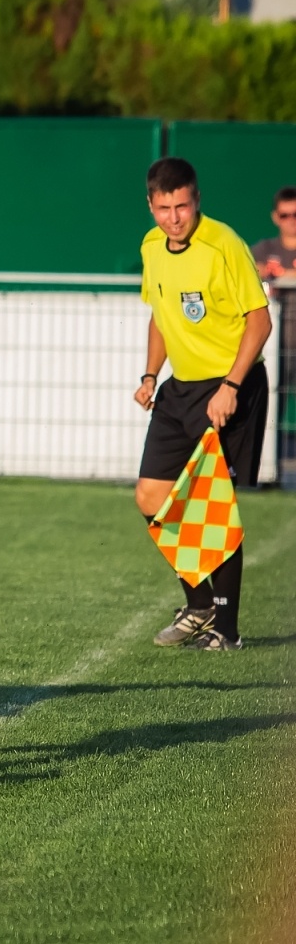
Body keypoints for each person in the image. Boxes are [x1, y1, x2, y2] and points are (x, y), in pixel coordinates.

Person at [134, 158, 272, 652]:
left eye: (183, 206)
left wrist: (231, 386)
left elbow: (260, 321)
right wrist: (151, 374)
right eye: (165, 207)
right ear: (151, 204)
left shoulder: (223, 243)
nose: (174, 217)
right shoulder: (152, 246)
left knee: (214, 508)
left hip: (232, 387)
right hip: (181, 389)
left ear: (197, 201)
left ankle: (227, 629)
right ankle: (198, 605)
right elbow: (161, 315)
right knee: (151, 497)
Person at [251, 185, 296, 280]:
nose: (291, 220)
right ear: (275, 217)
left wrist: (280, 274)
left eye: (295, 214)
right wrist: (256, 271)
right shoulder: (263, 250)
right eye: (284, 216)